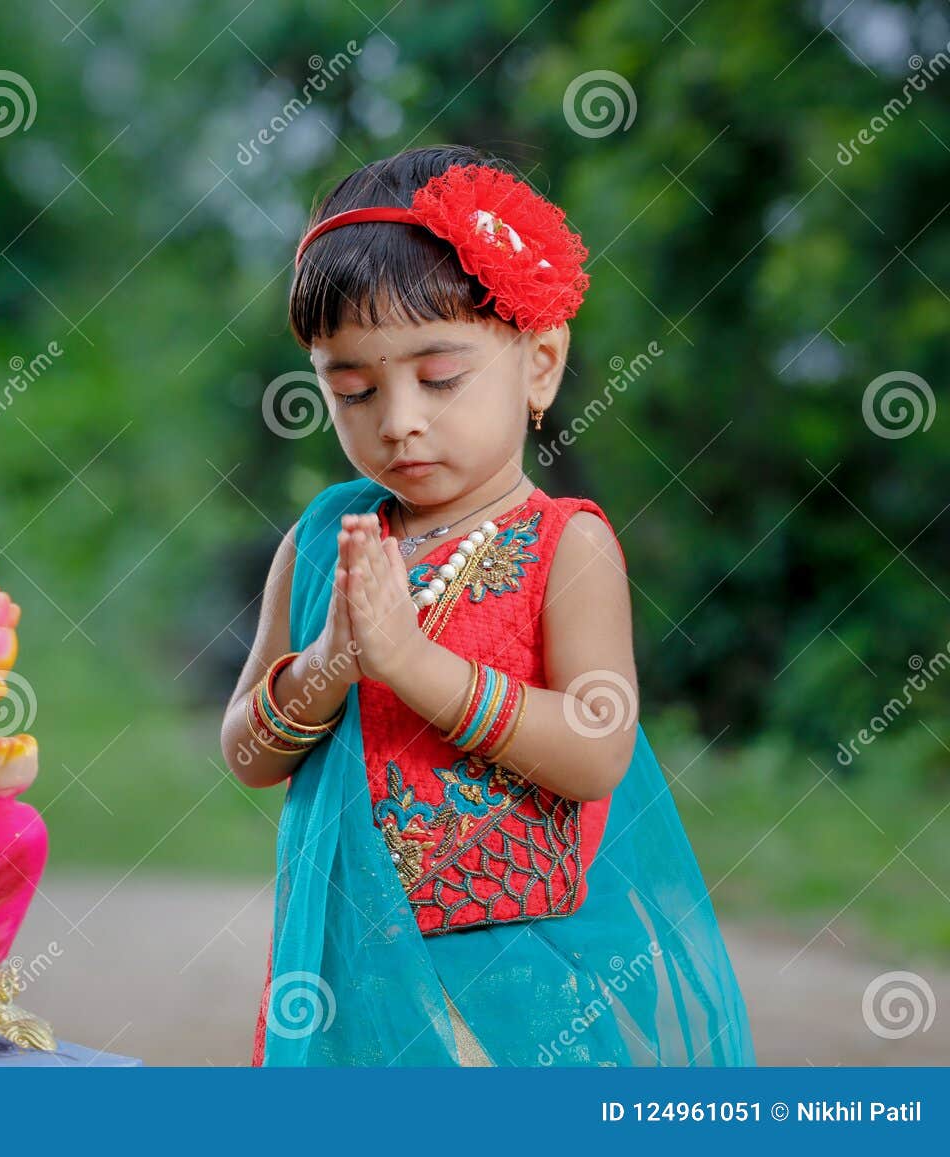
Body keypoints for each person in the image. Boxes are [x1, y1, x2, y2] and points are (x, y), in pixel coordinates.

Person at [221, 144, 755, 1066]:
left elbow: (597, 749)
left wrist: (414, 666)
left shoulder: (567, 547)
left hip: (514, 983)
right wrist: (327, 666)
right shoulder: (323, 544)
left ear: (540, 365)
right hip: (343, 975)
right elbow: (248, 753)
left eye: (438, 378)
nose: (397, 419)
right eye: (351, 388)